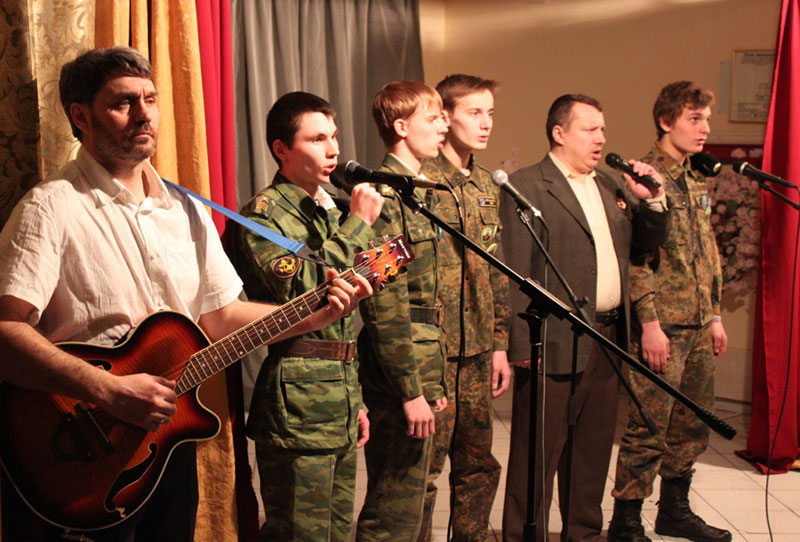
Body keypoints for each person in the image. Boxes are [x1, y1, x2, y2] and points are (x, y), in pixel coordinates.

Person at [0, 48, 370, 542]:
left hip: (164, 443)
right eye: (123, 102)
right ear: (81, 116)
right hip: (77, 446)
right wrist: (106, 389)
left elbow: (223, 317)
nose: (144, 114)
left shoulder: (185, 208)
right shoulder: (51, 208)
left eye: (150, 99)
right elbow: (6, 331)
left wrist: (310, 317)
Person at [498, 94, 668, 542]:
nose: (601, 138)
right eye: (590, 129)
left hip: (608, 337)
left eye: (602, 129)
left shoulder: (611, 185)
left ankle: (583, 535)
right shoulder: (526, 185)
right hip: (552, 340)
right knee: (537, 455)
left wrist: (652, 201)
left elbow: (644, 245)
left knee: (591, 454)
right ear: (559, 132)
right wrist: (519, 345)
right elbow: (514, 270)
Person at [230, 91, 384, 542]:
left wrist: (355, 400)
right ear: (281, 149)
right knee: (299, 534)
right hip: (296, 402)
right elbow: (306, 296)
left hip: (339, 394)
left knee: (336, 533)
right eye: (317, 139)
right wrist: (358, 225)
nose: (333, 149)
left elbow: (344, 318)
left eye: (333, 137)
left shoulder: (330, 209)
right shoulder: (263, 215)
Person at [608, 81, 731, 542]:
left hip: (697, 322)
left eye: (706, 119)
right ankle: (626, 520)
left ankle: (674, 511)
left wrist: (715, 315)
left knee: (691, 425)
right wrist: (650, 323)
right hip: (664, 325)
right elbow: (637, 259)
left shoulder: (694, 176)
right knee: (649, 425)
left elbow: (707, 253)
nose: (705, 129)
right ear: (666, 121)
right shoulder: (645, 176)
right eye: (694, 119)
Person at [418, 74, 512, 542]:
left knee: (478, 465)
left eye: (490, 113)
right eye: (474, 112)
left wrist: (500, 344)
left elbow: (497, 270)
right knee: (423, 471)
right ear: (445, 117)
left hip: (476, 351)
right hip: (434, 352)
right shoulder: (420, 181)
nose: (486, 123)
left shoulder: (486, 184)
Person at [355, 80, 449, 542]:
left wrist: (435, 380)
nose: (444, 126)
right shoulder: (384, 199)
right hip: (398, 371)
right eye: (433, 118)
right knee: (393, 507)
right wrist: (411, 391)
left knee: (413, 503)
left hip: (422, 359)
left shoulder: (417, 193)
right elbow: (385, 304)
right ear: (401, 127)